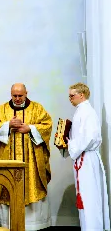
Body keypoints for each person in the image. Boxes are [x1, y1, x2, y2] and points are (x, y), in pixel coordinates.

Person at [0, 83, 52, 230]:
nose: (17, 99)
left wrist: (30, 128)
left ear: (26, 93)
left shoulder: (37, 109)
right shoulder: (2, 109)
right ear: (11, 94)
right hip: (7, 159)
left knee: (32, 187)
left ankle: (33, 225)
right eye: (14, 96)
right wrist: (7, 125)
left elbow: (47, 125)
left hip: (31, 163)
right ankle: (9, 224)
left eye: (20, 96)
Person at [58, 82, 110, 230]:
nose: (70, 99)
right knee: (85, 198)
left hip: (87, 159)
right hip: (83, 158)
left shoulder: (87, 111)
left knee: (90, 199)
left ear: (81, 95)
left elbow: (89, 137)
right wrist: (65, 140)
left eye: (72, 95)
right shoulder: (81, 111)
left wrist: (69, 143)